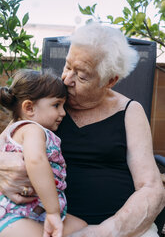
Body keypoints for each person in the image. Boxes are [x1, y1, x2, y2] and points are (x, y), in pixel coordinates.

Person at [0, 23, 165, 237]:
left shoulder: (130, 112)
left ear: (110, 80)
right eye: (68, 66)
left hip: (118, 229)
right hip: (39, 223)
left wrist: (104, 231)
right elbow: (6, 143)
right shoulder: (45, 103)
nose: (66, 79)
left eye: (82, 76)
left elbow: (151, 188)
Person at [0, 70, 86, 237]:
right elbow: (36, 161)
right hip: (14, 214)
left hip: (33, 213)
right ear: (29, 108)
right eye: (56, 105)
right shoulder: (32, 130)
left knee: (81, 227)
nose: (63, 112)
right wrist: (53, 212)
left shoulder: (16, 129)